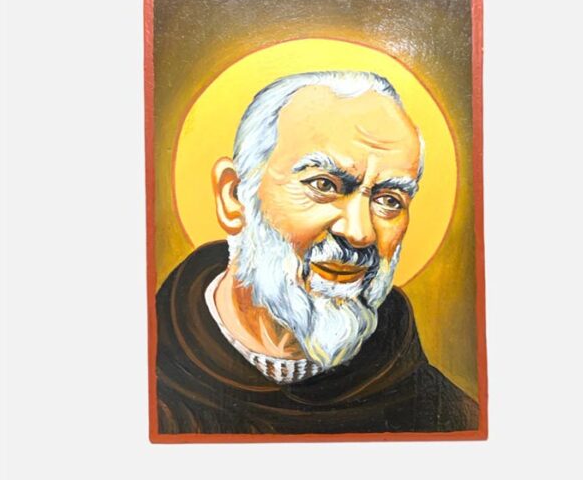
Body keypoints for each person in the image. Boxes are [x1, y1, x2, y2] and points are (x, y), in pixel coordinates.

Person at [155, 71, 479, 435]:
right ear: (234, 197)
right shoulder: (147, 384)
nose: (359, 232)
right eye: (324, 184)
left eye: (389, 200)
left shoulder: (446, 415)